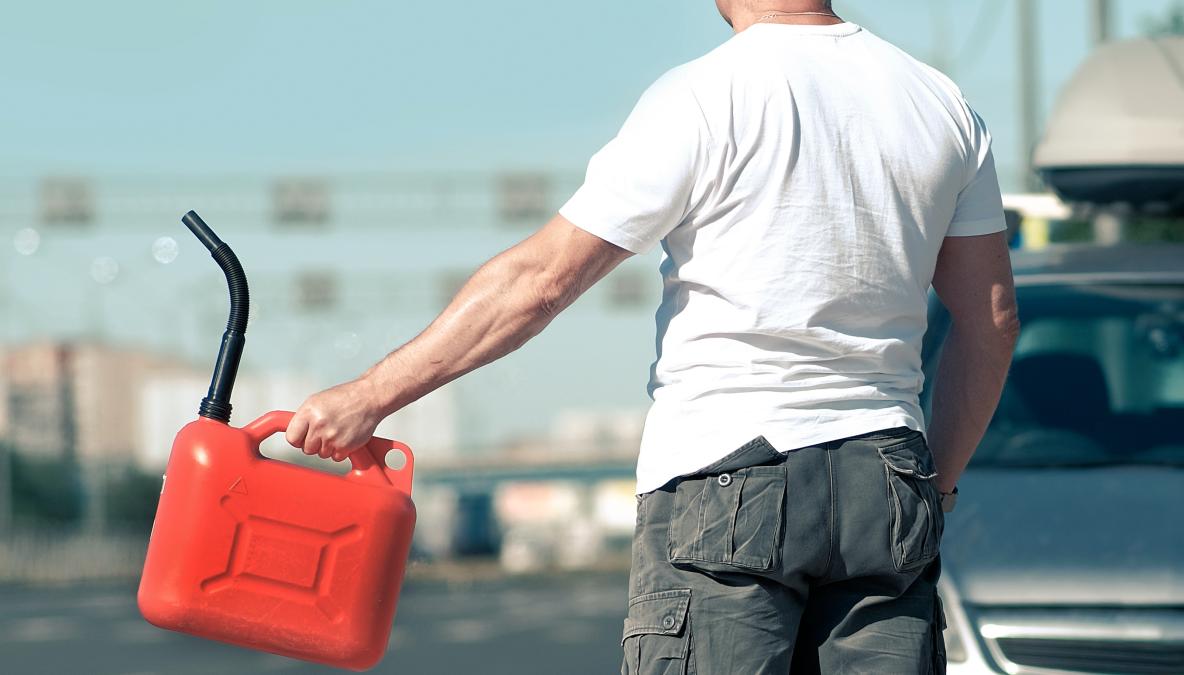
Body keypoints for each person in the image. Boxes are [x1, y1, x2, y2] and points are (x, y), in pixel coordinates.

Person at [285, 0, 1020, 672]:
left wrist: (372, 393)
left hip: (730, 475)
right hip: (885, 477)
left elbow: (539, 282)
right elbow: (990, 322)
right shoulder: (941, 104)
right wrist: (935, 482)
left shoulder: (706, 95)